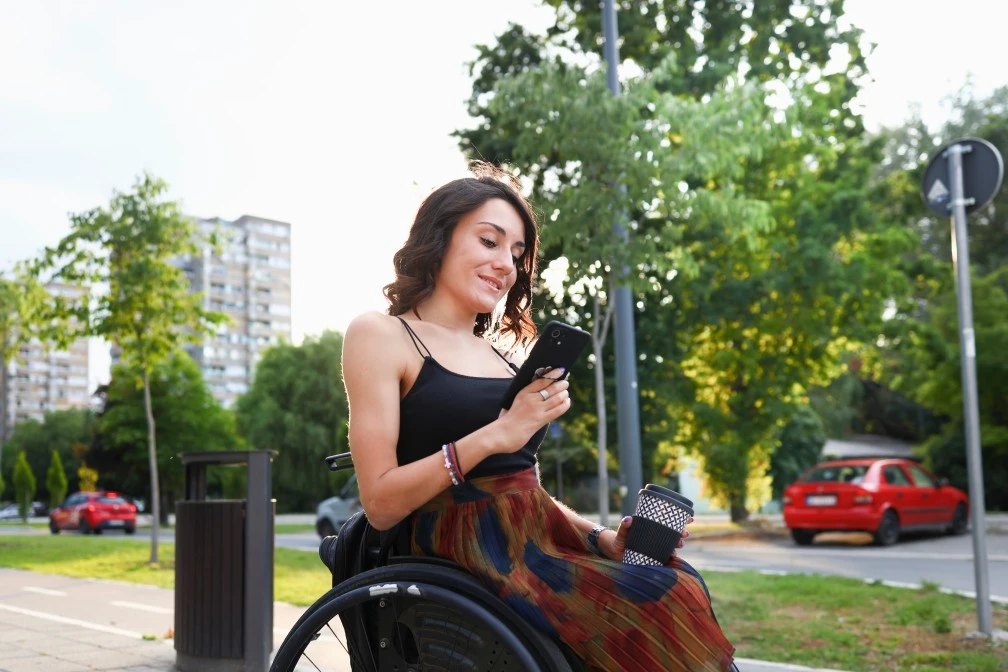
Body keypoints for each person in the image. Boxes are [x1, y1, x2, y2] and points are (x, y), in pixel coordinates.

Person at [342, 164, 737, 671]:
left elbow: (519, 488)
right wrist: (499, 432)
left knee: (676, 580)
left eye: (516, 254)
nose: (505, 263)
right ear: (438, 239)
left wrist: (601, 538)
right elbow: (379, 503)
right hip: (460, 552)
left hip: (532, 543)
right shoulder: (382, 334)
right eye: (489, 241)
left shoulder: (506, 358)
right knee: (660, 602)